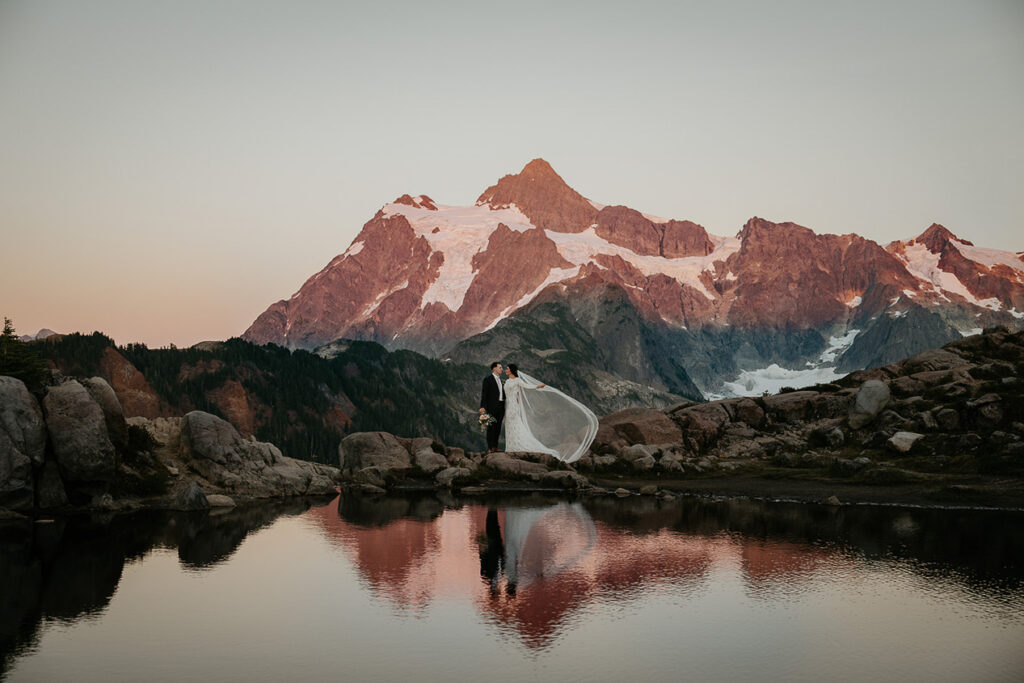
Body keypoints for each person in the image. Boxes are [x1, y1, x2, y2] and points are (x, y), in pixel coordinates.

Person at [501, 363, 598, 463]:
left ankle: (516, 445)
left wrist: (537, 386)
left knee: (515, 423)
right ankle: (510, 446)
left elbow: (527, 386)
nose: (506, 370)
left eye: (507, 369)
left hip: (513, 406)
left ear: (511, 370)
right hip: (508, 404)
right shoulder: (507, 381)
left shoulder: (517, 380)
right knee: (509, 424)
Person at [479, 361, 505, 453]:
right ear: (494, 368)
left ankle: (495, 447)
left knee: (498, 427)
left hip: (501, 407)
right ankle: (490, 448)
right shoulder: (488, 379)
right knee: (491, 427)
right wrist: (482, 406)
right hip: (491, 407)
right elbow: (484, 394)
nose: (502, 369)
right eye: (500, 367)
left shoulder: (501, 380)